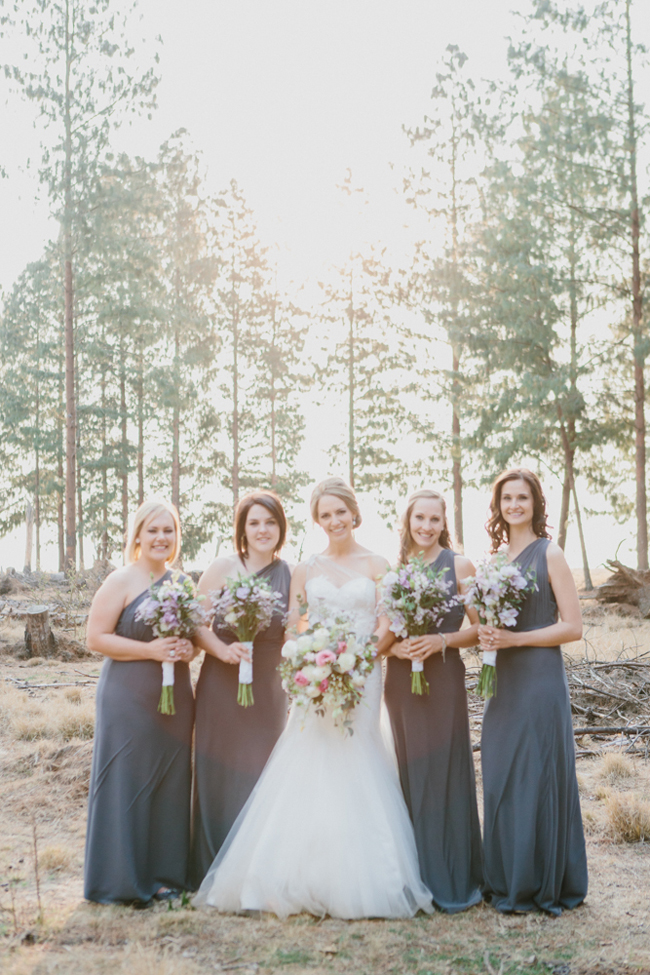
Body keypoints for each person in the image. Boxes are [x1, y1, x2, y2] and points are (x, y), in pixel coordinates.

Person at [194, 477, 433, 919]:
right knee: (310, 759)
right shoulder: (305, 569)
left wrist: (359, 660)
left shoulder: (378, 564)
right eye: (325, 514)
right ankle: (299, 875)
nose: (334, 520)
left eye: (340, 512)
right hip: (316, 676)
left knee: (359, 756)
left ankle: (366, 877)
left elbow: (387, 624)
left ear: (354, 513)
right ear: (316, 520)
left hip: (362, 674)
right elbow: (293, 627)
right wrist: (307, 661)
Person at [479, 468, 588, 914]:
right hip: (502, 678)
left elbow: (573, 627)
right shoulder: (493, 561)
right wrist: (488, 634)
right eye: (507, 498)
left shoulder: (550, 553)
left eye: (522, 497)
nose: (514, 505)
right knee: (501, 770)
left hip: (540, 677)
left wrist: (516, 639)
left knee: (537, 772)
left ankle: (540, 881)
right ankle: (506, 875)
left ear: (536, 504)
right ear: (498, 506)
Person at [84, 500, 195, 905]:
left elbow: (192, 641)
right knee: (127, 780)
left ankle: (164, 877)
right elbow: (96, 638)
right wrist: (150, 651)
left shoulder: (183, 583)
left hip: (175, 696)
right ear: (137, 536)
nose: (161, 538)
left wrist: (188, 649)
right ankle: (120, 880)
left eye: (168, 530)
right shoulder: (121, 580)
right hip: (127, 695)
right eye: (153, 530)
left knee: (170, 782)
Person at [384, 488, 483, 912]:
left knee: (444, 770)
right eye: (419, 518)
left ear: (445, 523)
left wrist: (441, 640)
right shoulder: (395, 571)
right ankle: (415, 876)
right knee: (408, 770)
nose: (426, 527)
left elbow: (482, 629)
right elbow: (383, 634)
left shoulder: (460, 566)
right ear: (407, 522)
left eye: (434, 519)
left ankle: (453, 875)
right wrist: (395, 648)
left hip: (442, 678)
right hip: (400, 682)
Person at [190, 491, 292, 888]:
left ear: (281, 527)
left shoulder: (290, 574)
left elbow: (295, 629)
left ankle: (254, 869)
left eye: (270, 522)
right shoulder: (221, 568)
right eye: (254, 523)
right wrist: (221, 649)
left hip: (268, 687)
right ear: (242, 529)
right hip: (221, 681)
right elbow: (196, 624)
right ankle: (210, 865)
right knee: (217, 770)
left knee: (261, 771)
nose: (263, 530)